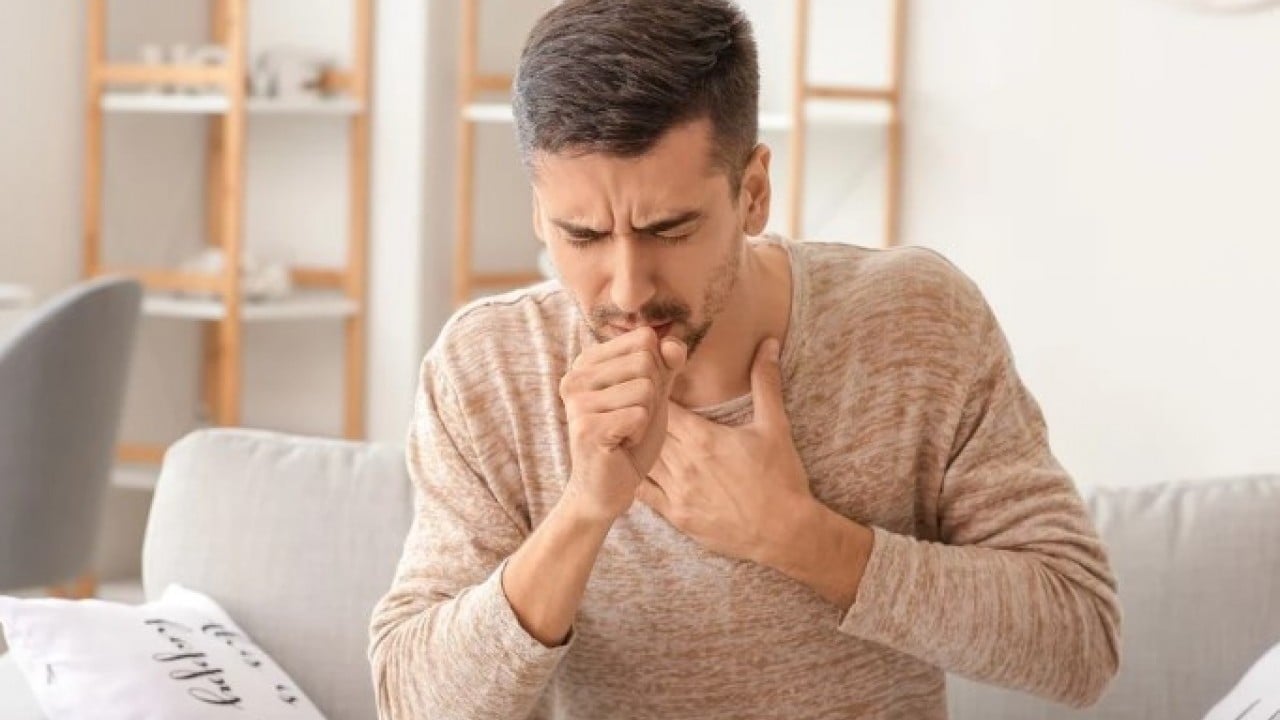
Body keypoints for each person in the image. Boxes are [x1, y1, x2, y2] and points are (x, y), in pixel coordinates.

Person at [368, 1, 1121, 717]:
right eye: (583, 236)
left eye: (670, 229)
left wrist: (795, 535)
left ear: (754, 192)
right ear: (539, 210)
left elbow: (1080, 642)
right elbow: (413, 704)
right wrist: (584, 509)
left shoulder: (915, 321)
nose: (627, 288)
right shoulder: (489, 369)